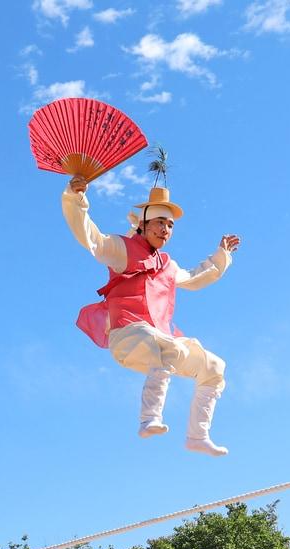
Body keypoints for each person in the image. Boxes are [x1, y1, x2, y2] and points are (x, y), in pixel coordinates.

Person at [63, 171, 241, 455]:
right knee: (164, 345)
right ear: (144, 224)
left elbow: (195, 278)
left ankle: (197, 436)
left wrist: (221, 255)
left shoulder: (168, 265)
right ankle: (149, 419)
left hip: (159, 342)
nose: (165, 229)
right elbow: (91, 237)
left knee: (214, 367)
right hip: (129, 338)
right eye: (160, 222)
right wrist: (76, 198)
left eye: (170, 225)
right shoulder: (123, 249)